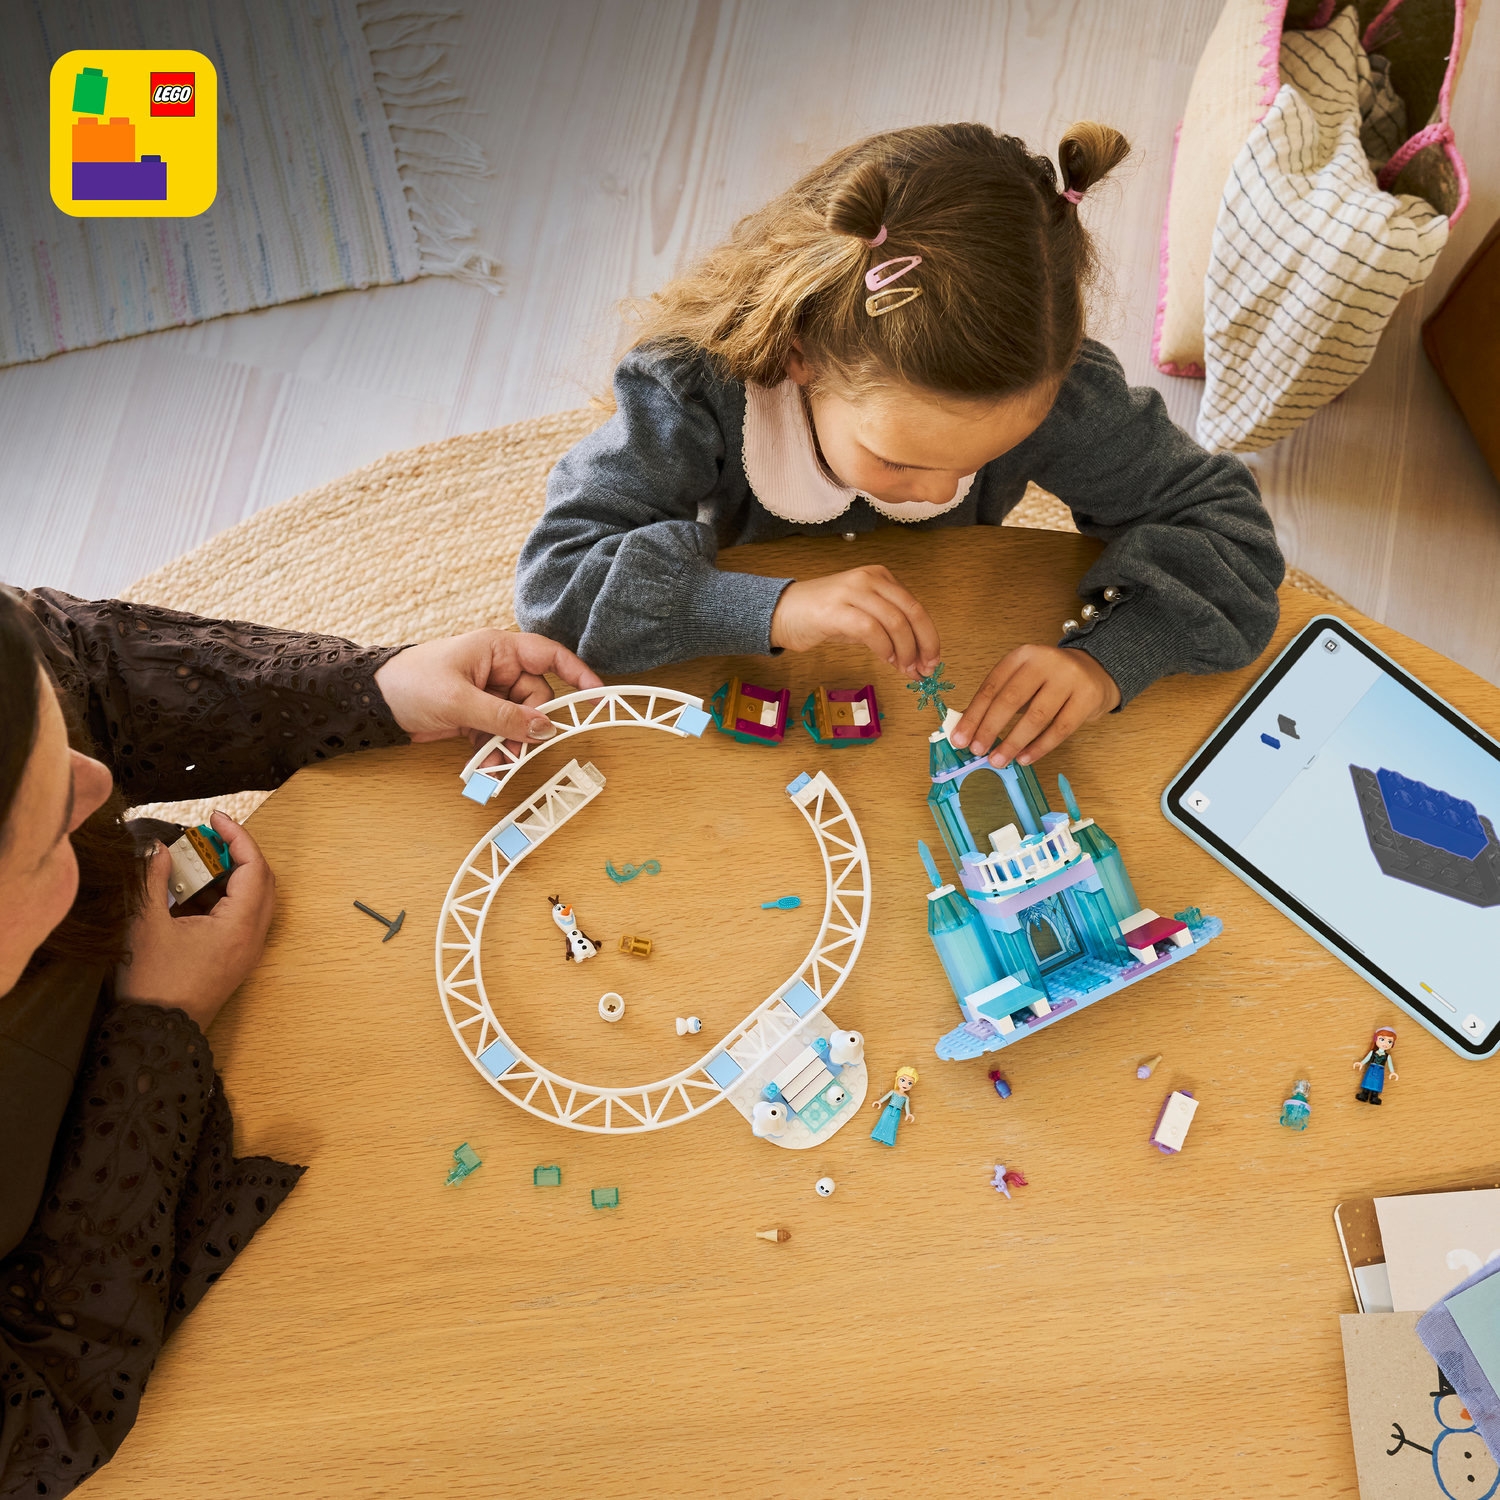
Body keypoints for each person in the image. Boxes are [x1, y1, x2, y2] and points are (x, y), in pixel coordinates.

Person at [0, 586, 601, 1495]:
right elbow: (37, 1424)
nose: (100, 784)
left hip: (161, 960)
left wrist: (372, 688)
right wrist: (157, 1030)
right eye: (49, 828)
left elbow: (85, 673)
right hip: (108, 1256)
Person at [515, 121, 1284, 771]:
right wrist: (776, 608)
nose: (940, 491)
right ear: (799, 354)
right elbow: (557, 587)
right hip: (742, 669)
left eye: (978, 463)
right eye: (900, 462)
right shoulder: (691, 392)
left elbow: (1230, 535)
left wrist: (1106, 662)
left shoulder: (1052, 389)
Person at [869, 1065, 919, 1146]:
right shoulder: (893, 1091)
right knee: (883, 1121)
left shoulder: (906, 1097)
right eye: (903, 1080)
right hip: (889, 1109)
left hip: (897, 1112)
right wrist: (879, 1102)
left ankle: (888, 1140)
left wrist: (908, 1114)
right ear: (897, 1079)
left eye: (909, 1083)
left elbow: (906, 1106)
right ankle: (877, 1135)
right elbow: (886, 1097)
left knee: (893, 1125)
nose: (905, 1084)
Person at [1353, 1027, 1399, 1104]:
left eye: (1389, 1041)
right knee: (1368, 1081)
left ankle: (1374, 1097)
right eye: (1382, 1039)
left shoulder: (1387, 1056)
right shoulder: (1373, 1052)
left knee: (1377, 1083)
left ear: (1392, 1044)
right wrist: (1361, 1063)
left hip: (1380, 1071)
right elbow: (1367, 1058)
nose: (1385, 1043)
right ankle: (1364, 1094)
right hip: (1372, 1068)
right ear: (1376, 1039)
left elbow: (1390, 1064)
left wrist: (1392, 1072)